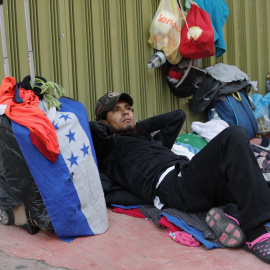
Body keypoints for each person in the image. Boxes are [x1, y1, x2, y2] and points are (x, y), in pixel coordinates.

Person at [90, 91, 270, 264]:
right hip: (175, 186)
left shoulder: (149, 140)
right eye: (116, 110)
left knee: (254, 182)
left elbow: (177, 116)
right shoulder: (109, 148)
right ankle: (255, 231)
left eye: (128, 108)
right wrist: (107, 128)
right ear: (104, 120)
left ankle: (233, 213)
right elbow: (92, 128)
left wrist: (138, 127)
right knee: (234, 134)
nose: (125, 112)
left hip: (190, 174)